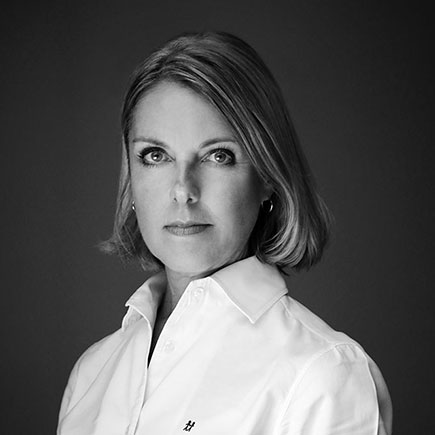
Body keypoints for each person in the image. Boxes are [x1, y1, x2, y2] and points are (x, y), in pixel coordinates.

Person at [57, 32, 392, 435]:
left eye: (218, 156)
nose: (183, 190)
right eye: (155, 156)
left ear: (267, 176)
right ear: (131, 177)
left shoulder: (323, 375)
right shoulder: (92, 372)